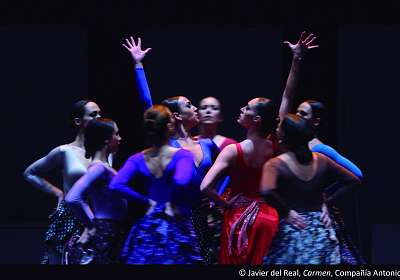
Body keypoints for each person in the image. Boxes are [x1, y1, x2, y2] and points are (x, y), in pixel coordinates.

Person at [200, 31, 319, 264]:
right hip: (269, 217)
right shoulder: (276, 143)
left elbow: (205, 186)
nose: (241, 110)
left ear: (255, 120)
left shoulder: (233, 150)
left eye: (246, 109)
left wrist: (225, 204)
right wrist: (297, 59)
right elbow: (287, 97)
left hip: (237, 217)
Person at [123, 37, 223, 263]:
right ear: (176, 116)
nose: (196, 108)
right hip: (177, 215)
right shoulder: (168, 146)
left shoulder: (207, 144)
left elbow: (226, 172)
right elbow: (147, 104)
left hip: (206, 216)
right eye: (189, 105)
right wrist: (138, 64)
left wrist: (216, 199)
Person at [260, 114, 361, 264]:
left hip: (294, 229)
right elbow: (352, 179)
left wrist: (285, 211)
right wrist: (326, 201)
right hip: (320, 229)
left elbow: (267, 191)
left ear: (283, 137)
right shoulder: (321, 159)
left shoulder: (275, 164)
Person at [109, 105, 203, 264]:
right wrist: (172, 200)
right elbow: (182, 181)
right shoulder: (183, 156)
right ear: (169, 126)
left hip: (149, 223)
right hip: (176, 222)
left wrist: (145, 201)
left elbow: (116, 185)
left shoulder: (137, 158)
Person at [24, 100, 101, 264]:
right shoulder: (65, 151)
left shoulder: (105, 151)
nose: (99, 118)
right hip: (71, 216)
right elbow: (30, 173)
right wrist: (57, 192)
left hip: (96, 217)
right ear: (78, 121)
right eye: (93, 114)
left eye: (100, 114)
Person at [295, 100, 364, 263]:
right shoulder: (293, 144)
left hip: (314, 217)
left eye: (303, 114)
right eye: (297, 112)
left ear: (316, 121)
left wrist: (328, 197)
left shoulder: (319, 148)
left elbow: (357, 175)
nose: (297, 116)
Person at [64, 118, 127, 264]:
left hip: (112, 230)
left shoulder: (104, 166)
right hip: (106, 231)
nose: (120, 138)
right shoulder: (98, 168)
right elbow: (72, 197)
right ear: (106, 140)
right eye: (116, 134)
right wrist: (92, 224)